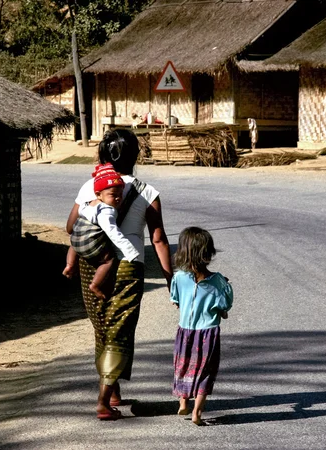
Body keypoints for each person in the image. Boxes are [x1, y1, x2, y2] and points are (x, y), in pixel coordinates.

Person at [66, 128, 173, 421]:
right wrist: (169, 278)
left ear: (102, 153)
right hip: (128, 266)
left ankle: (112, 392)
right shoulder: (147, 192)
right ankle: (103, 400)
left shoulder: (91, 187)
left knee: (102, 327)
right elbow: (159, 240)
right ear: (135, 155)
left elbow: (70, 226)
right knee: (120, 330)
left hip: (93, 264)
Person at [169, 226, 233, 426]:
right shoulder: (218, 282)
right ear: (208, 253)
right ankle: (197, 412)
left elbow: (175, 300)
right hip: (208, 334)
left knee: (183, 366)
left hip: (185, 332)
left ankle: (183, 403)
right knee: (205, 371)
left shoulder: (178, 277)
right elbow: (225, 305)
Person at [65, 162, 140, 300]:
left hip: (76, 242)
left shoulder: (89, 203)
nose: (118, 198)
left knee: (74, 241)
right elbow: (113, 233)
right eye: (113, 195)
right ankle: (95, 285)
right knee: (108, 261)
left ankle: (70, 265)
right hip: (91, 245)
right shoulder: (107, 211)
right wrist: (130, 251)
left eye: (120, 194)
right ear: (99, 194)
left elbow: (76, 217)